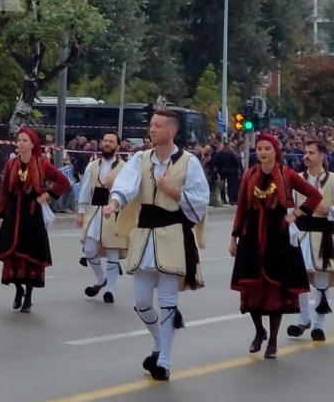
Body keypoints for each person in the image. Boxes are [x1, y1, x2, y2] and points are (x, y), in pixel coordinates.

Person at [101, 109, 210, 381]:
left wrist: (173, 190)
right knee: (140, 300)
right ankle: (159, 340)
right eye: (151, 125)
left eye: (158, 125)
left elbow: (201, 199)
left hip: (173, 233)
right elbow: (126, 186)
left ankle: (164, 360)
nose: (152, 129)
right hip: (145, 232)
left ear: (171, 130)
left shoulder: (189, 162)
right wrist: (114, 202)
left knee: (167, 300)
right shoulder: (141, 158)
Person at [229, 132, 325, 358]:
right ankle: (259, 331)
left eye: (267, 149)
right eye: (259, 148)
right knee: (251, 285)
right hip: (252, 234)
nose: (262, 152)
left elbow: (313, 196)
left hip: (277, 235)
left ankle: (272, 341)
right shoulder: (249, 175)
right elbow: (242, 207)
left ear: (275, 152)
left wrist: (296, 215)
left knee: (275, 289)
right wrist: (234, 237)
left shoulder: (286, 174)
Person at [0, 127, 70, 312]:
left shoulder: (41, 164)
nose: (20, 143)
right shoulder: (11, 165)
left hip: (32, 214)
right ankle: (18, 289)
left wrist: (47, 195)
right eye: (19, 140)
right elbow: (4, 191)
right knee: (12, 253)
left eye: (24, 140)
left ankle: (28, 296)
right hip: (13, 212)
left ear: (32, 144)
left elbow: (63, 182)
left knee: (31, 255)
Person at [289, 140, 334, 342]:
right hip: (302, 234)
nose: (306, 156)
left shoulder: (332, 180)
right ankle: (303, 319)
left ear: (322, 155)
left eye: (311, 152)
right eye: (305, 152)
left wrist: (327, 210)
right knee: (300, 279)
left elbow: (328, 210)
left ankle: (318, 325)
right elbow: (290, 208)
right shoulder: (297, 180)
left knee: (321, 280)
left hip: (324, 235)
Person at [77, 132, 128, 303]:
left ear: (117, 146)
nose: (107, 143)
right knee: (89, 249)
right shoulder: (92, 165)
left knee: (112, 249)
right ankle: (100, 278)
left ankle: (111, 290)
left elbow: (129, 191)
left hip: (113, 212)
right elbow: (85, 190)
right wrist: (81, 212)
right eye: (105, 141)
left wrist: (115, 185)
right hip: (94, 211)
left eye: (111, 141)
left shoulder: (124, 167)